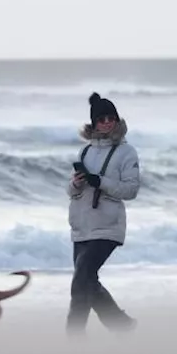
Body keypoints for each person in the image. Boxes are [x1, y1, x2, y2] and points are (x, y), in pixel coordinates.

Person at [66, 92, 141, 336]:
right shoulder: (84, 152)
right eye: (102, 119)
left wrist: (100, 181)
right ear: (93, 123)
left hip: (108, 226)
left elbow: (131, 190)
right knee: (87, 281)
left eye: (111, 118)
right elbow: (70, 190)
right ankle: (121, 324)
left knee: (81, 281)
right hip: (82, 226)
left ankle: (73, 336)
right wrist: (77, 184)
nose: (107, 122)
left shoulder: (126, 152)